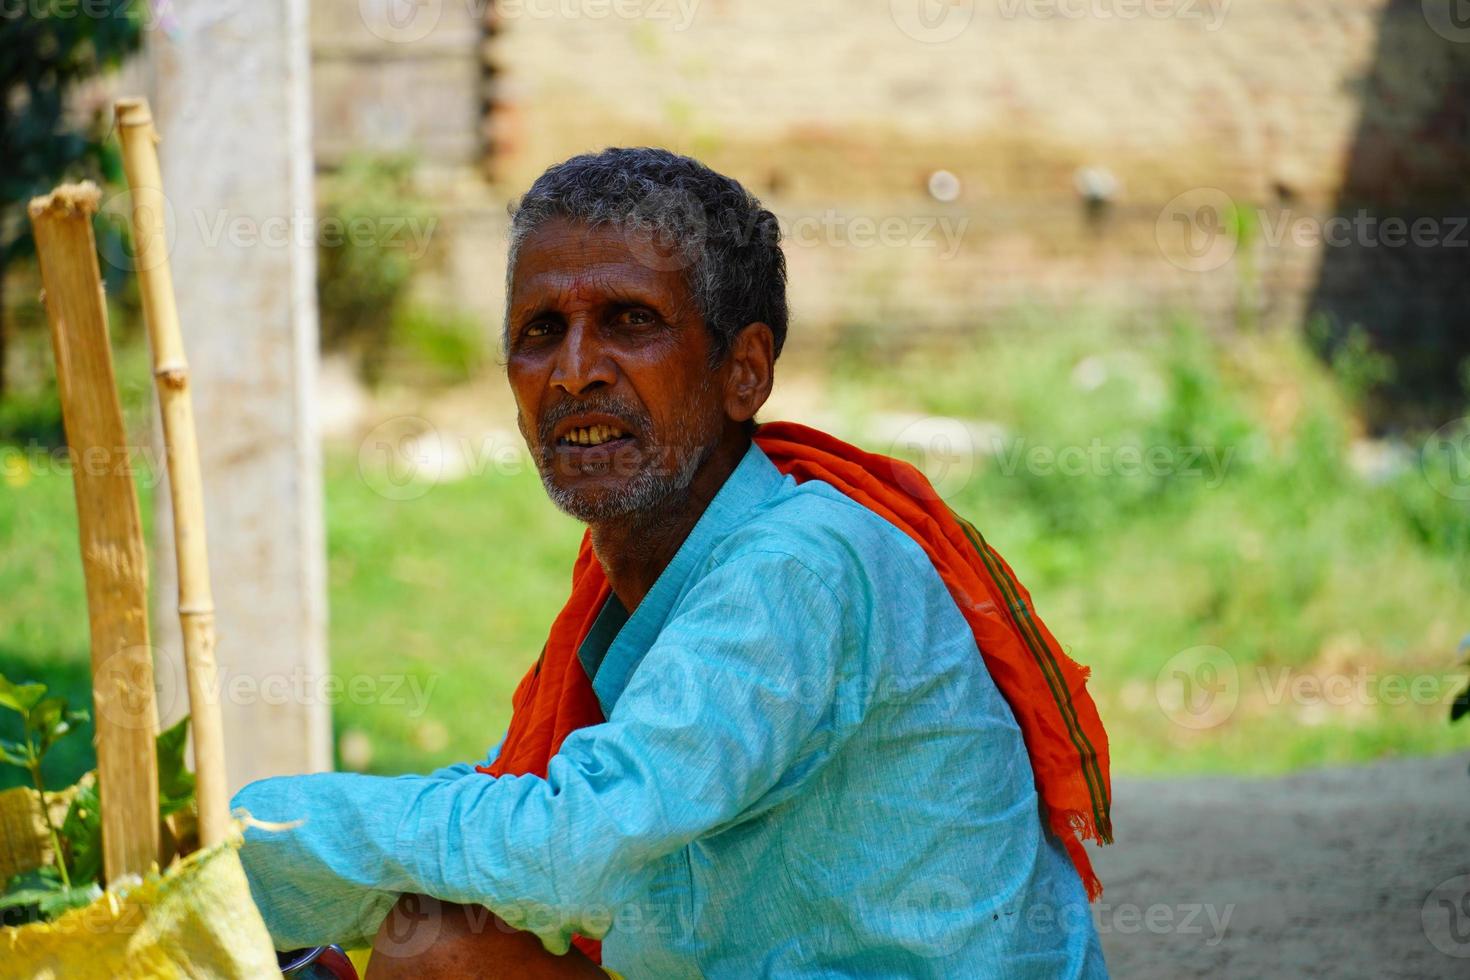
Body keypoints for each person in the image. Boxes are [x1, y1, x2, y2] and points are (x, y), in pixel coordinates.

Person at [234, 148, 1113, 978]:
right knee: (439, 940)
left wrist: (257, 838)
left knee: (434, 945)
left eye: (630, 321)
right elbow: (522, 817)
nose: (575, 372)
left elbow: (564, 847)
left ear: (746, 372)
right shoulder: (647, 580)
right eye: (542, 330)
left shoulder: (793, 569)